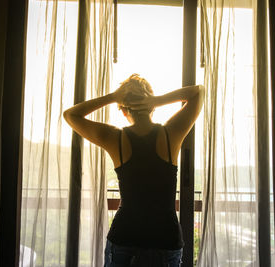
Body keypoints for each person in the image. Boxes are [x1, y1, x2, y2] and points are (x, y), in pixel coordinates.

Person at [63, 74, 203, 266]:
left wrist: (113, 97)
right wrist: (158, 100)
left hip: (124, 238)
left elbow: (70, 115)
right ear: (152, 106)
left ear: (122, 110)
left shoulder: (115, 139)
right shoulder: (171, 133)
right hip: (166, 240)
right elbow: (199, 92)